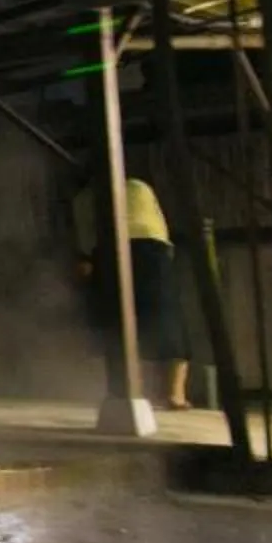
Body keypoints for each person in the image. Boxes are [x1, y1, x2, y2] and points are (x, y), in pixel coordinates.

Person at [78, 175, 191, 409]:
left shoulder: (97, 196)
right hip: (153, 249)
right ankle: (174, 394)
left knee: (117, 325)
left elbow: (87, 235)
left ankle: (122, 392)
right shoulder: (140, 189)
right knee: (168, 322)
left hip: (116, 247)